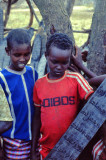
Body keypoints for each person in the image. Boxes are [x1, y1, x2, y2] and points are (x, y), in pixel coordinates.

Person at [31, 33, 94, 160]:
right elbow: (37, 118)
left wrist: (82, 68)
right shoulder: (39, 85)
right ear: (46, 56)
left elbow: (94, 100)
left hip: (73, 148)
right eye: (55, 62)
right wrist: (33, 150)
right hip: (47, 149)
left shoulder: (75, 79)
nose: (59, 67)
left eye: (65, 62)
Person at [0, 29, 38, 159]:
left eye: (27, 54)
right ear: (8, 51)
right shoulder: (2, 78)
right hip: (14, 140)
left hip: (34, 137)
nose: (23, 59)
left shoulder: (32, 73)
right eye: (17, 55)